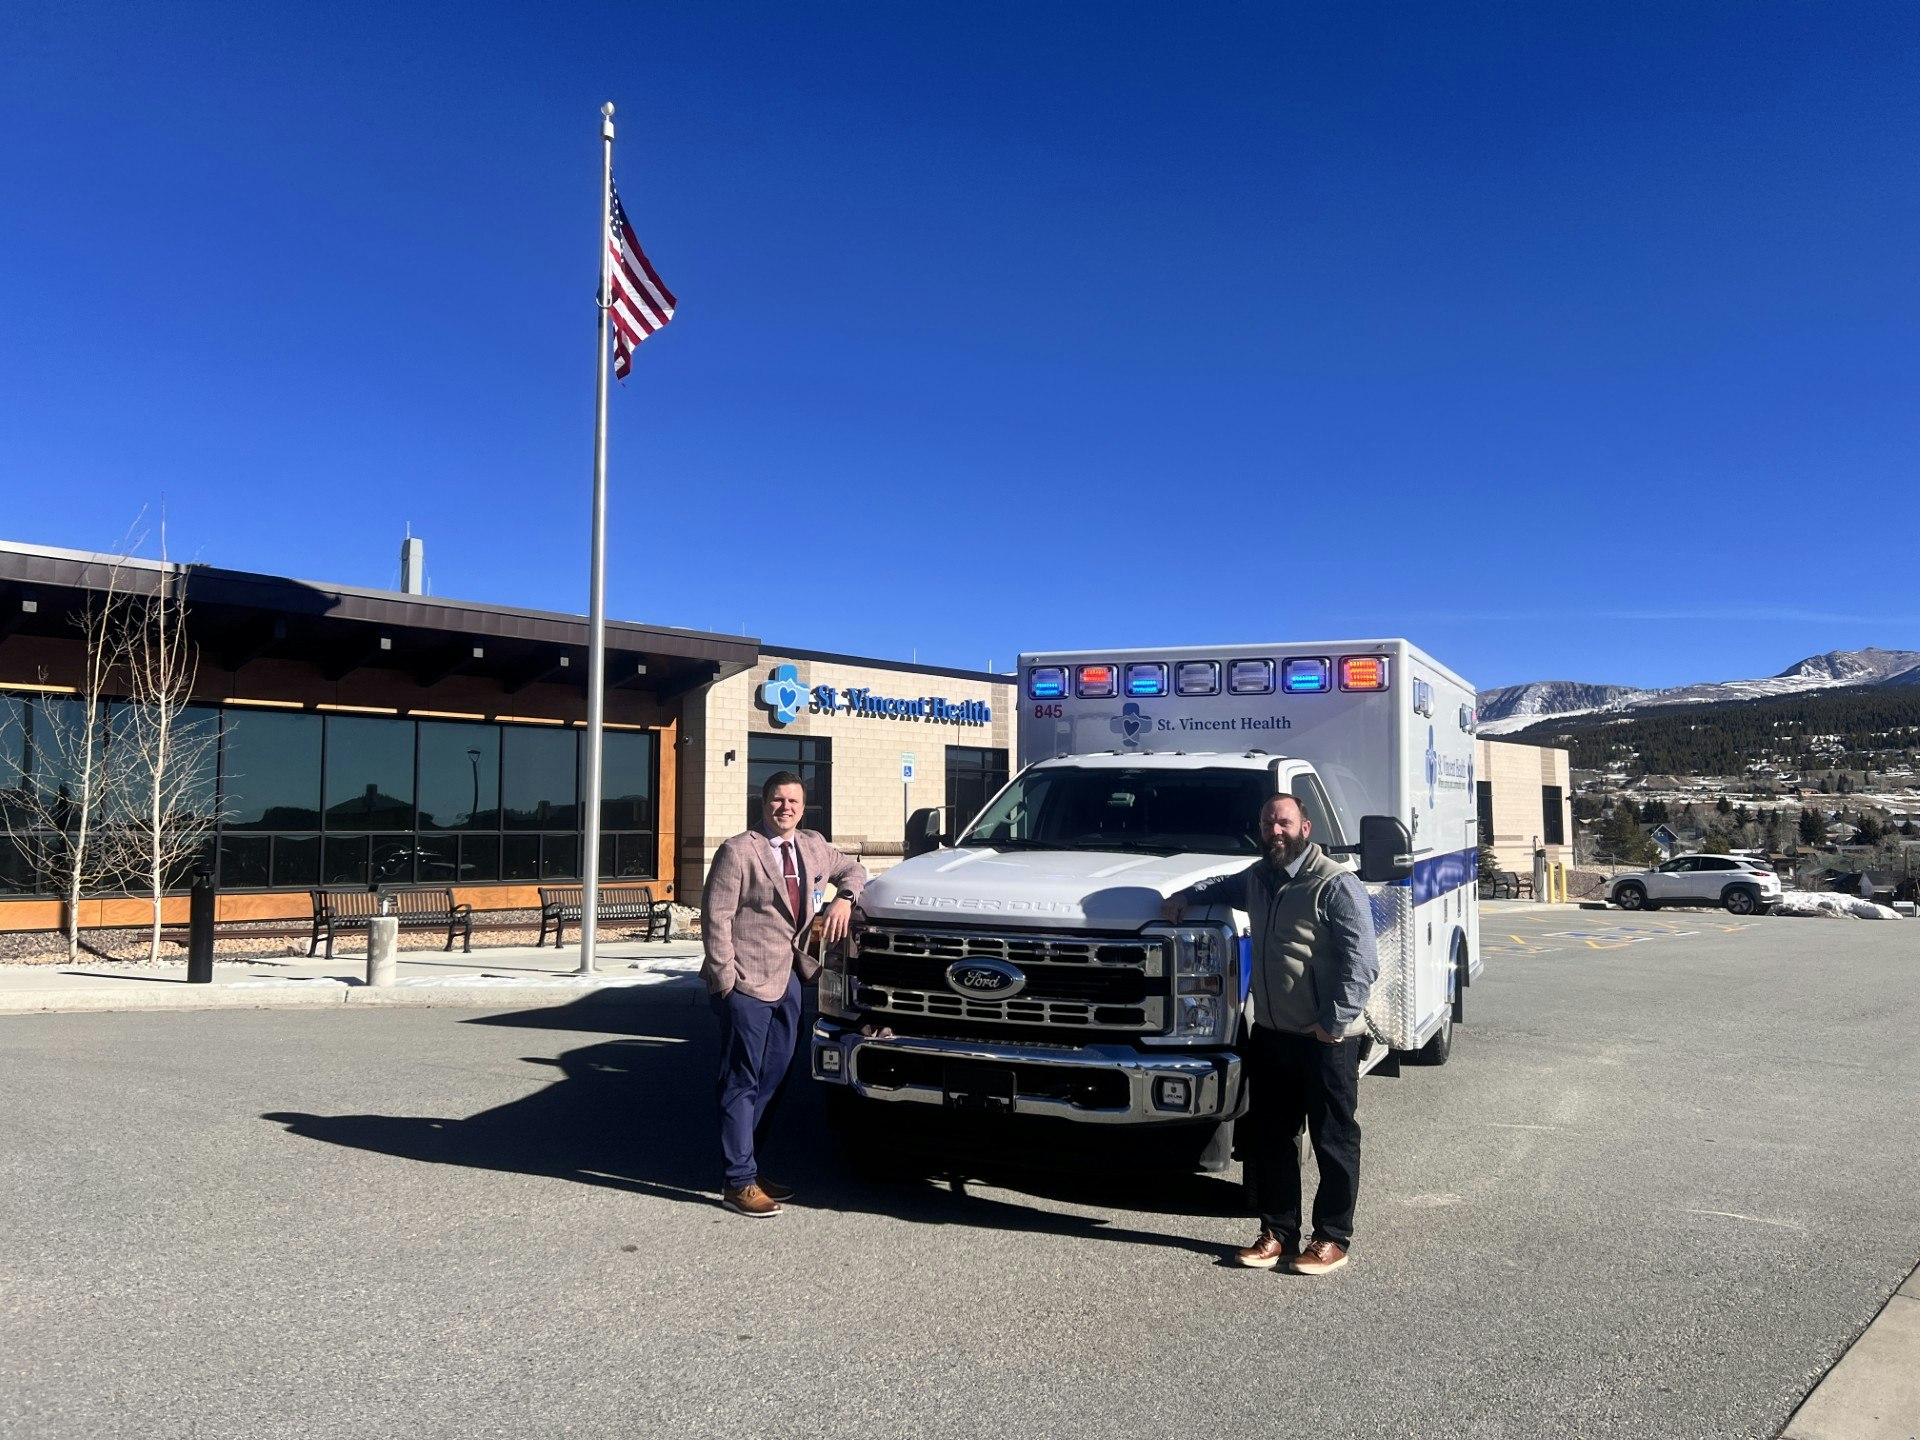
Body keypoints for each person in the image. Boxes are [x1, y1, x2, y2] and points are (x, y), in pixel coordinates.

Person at [1160, 793, 1378, 1275]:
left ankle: (1332, 1237)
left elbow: (1362, 962)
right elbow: (1221, 883)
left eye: (1283, 822)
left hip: (1326, 1040)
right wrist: (1184, 898)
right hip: (1274, 1034)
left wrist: (1334, 1022)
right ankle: (1278, 1233)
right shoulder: (1259, 877)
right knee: (1273, 1139)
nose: (1274, 831)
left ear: (1305, 826)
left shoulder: (1335, 884)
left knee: (1333, 1139)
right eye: (1266, 823)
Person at [701, 771, 867, 1217]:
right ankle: (737, 1181)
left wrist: (844, 899)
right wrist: (725, 984)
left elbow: (854, 869)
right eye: (778, 800)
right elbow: (715, 920)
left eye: (793, 801)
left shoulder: (812, 845)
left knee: (773, 1077)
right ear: (763, 803)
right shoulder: (738, 851)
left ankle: (748, 1167)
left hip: (792, 979)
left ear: (803, 806)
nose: (785, 808)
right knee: (741, 1079)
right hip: (747, 982)